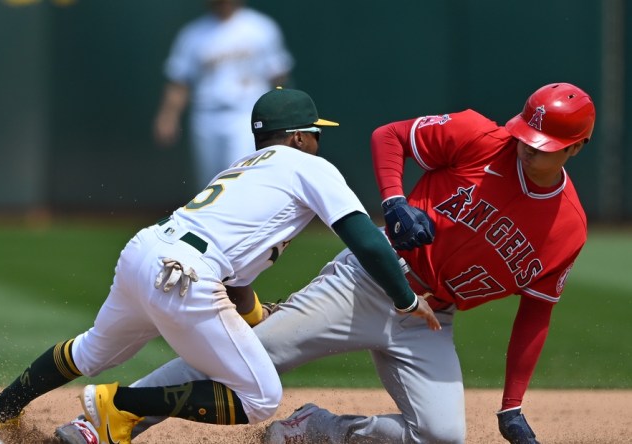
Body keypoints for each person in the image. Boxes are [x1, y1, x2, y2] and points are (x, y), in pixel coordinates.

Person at [0, 87, 439, 444]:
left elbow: (238, 284)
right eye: (314, 135)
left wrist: (255, 317)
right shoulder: (309, 166)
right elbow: (369, 244)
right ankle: (118, 408)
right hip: (186, 273)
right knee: (260, 399)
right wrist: (406, 299)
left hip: (146, 252)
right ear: (297, 137)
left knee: (89, 352)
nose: (318, 143)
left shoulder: (242, 169)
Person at [126, 82, 596, 444]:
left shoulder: (567, 230)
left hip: (430, 319)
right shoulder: (481, 137)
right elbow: (389, 136)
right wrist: (393, 201)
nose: (527, 147)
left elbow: (536, 314)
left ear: (577, 148)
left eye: (544, 145)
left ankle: (316, 428)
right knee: (239, 358)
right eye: (525, 135)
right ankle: (114, 417)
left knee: (441, 436)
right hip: (368, 281)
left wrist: (511, 405)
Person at [153, 0, 294, 190]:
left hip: (247, 113)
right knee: (209, 183)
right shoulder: (193, 34)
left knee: (240, 176)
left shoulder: (261, 27)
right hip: (206, 113)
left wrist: (283, 115)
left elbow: (278, 76)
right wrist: (168, 115)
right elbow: (180, 81)